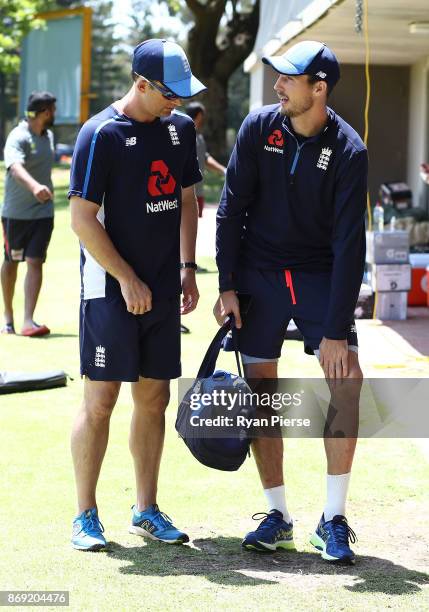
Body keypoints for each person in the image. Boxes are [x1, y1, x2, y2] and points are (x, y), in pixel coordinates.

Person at [214, 41, 367, 564]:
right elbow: (231, 207)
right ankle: (277, 516)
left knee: (346, 381)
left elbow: (351, 244)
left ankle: (334, 518)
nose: (277, 86)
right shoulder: (260, 128)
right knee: (262, 388)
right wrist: (227, 284)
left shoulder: (350, 150)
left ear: (318, 87)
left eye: (288, 79)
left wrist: (336, 329)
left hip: (320, 273)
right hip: (259, 272)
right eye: (277, 77)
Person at [68, 39, 205, 551]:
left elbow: (188, 200)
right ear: (141, 84)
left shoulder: (181, 128)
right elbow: (82, 220)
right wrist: (126, 277)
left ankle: (146, 509)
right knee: (100, 399)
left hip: (165, 288)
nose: (178, 101)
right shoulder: (99, 133)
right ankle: (85, 514)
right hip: (108, 288)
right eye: (170, 93)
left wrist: (188, 267)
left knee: (154, 397)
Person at [1, 91, 56, 336]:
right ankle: (7, 317)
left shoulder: (49, 136)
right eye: (52, 110)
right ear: (44, 112)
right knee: (12, 262)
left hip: (43, 213)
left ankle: (28, 321)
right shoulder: (18, 136)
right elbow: (14, 167)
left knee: (35, 261)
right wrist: (35, 187)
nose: (54, 114)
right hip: (16, 214)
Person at [185, 102, 226, 218]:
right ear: (199, 115)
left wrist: (224, 170)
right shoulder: (185, 135)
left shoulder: (199, 137)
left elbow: (205, 158)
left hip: (199, 192)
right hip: (188, 194)